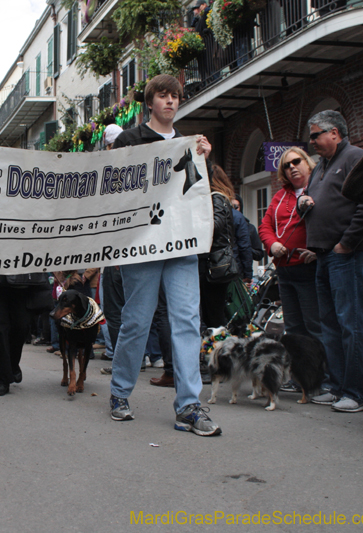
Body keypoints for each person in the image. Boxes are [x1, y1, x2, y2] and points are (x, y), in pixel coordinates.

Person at [108, 74, 220, 436]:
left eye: (175, 96)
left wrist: (204, 160)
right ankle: (120, 392)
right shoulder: (130, 140)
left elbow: (198, 192)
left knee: (187, 319)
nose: (170, 101)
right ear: (150, 102)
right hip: (142, 243)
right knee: (137, 320)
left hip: (181, 243)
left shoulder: (190, 143)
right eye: (163, 96)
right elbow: (116, 187)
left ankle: (188, 404)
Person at [297, 110, 363, 413]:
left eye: (315, 135)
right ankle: (336, 386)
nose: (311, 141)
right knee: (330, 325)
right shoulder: (321, 166)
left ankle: (356, 393)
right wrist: (303, 204)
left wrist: (345, 243)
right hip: (323, 256)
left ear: (335, 133)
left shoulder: (355, 159)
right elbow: (315, 205)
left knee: (351, 324)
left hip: (345, 256)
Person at [258, 147, 320, 339]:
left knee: (315, 326)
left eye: (296, 162)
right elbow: (265, 226)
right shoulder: (280, 195)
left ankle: (320, 369)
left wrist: (319, 251)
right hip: (284, 270)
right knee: (292, 328)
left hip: (309, 268)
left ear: (307, 163)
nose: (292, 167)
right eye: (286, 165)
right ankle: (298, 368)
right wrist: (272, 244)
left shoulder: (319, 187)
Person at [199, 165, 240, 332]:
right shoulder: (222, 199)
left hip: (214, 265)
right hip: (218, 263)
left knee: (214, 316)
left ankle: (218, 352)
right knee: (213, 314)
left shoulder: (216, 198)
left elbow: (215, 227)